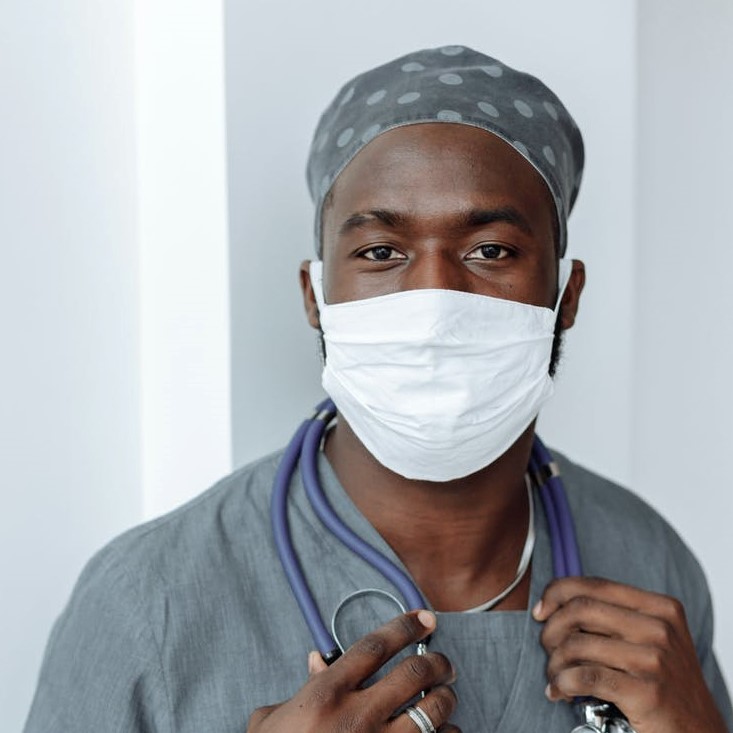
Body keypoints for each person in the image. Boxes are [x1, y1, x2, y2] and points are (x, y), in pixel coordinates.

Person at [24, 46, 732, 733]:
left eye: (489, 250)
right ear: (315, 295)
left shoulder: (646, 560)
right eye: (380, 252)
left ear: (564, 295)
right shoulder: (151, 597)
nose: (433, 300)